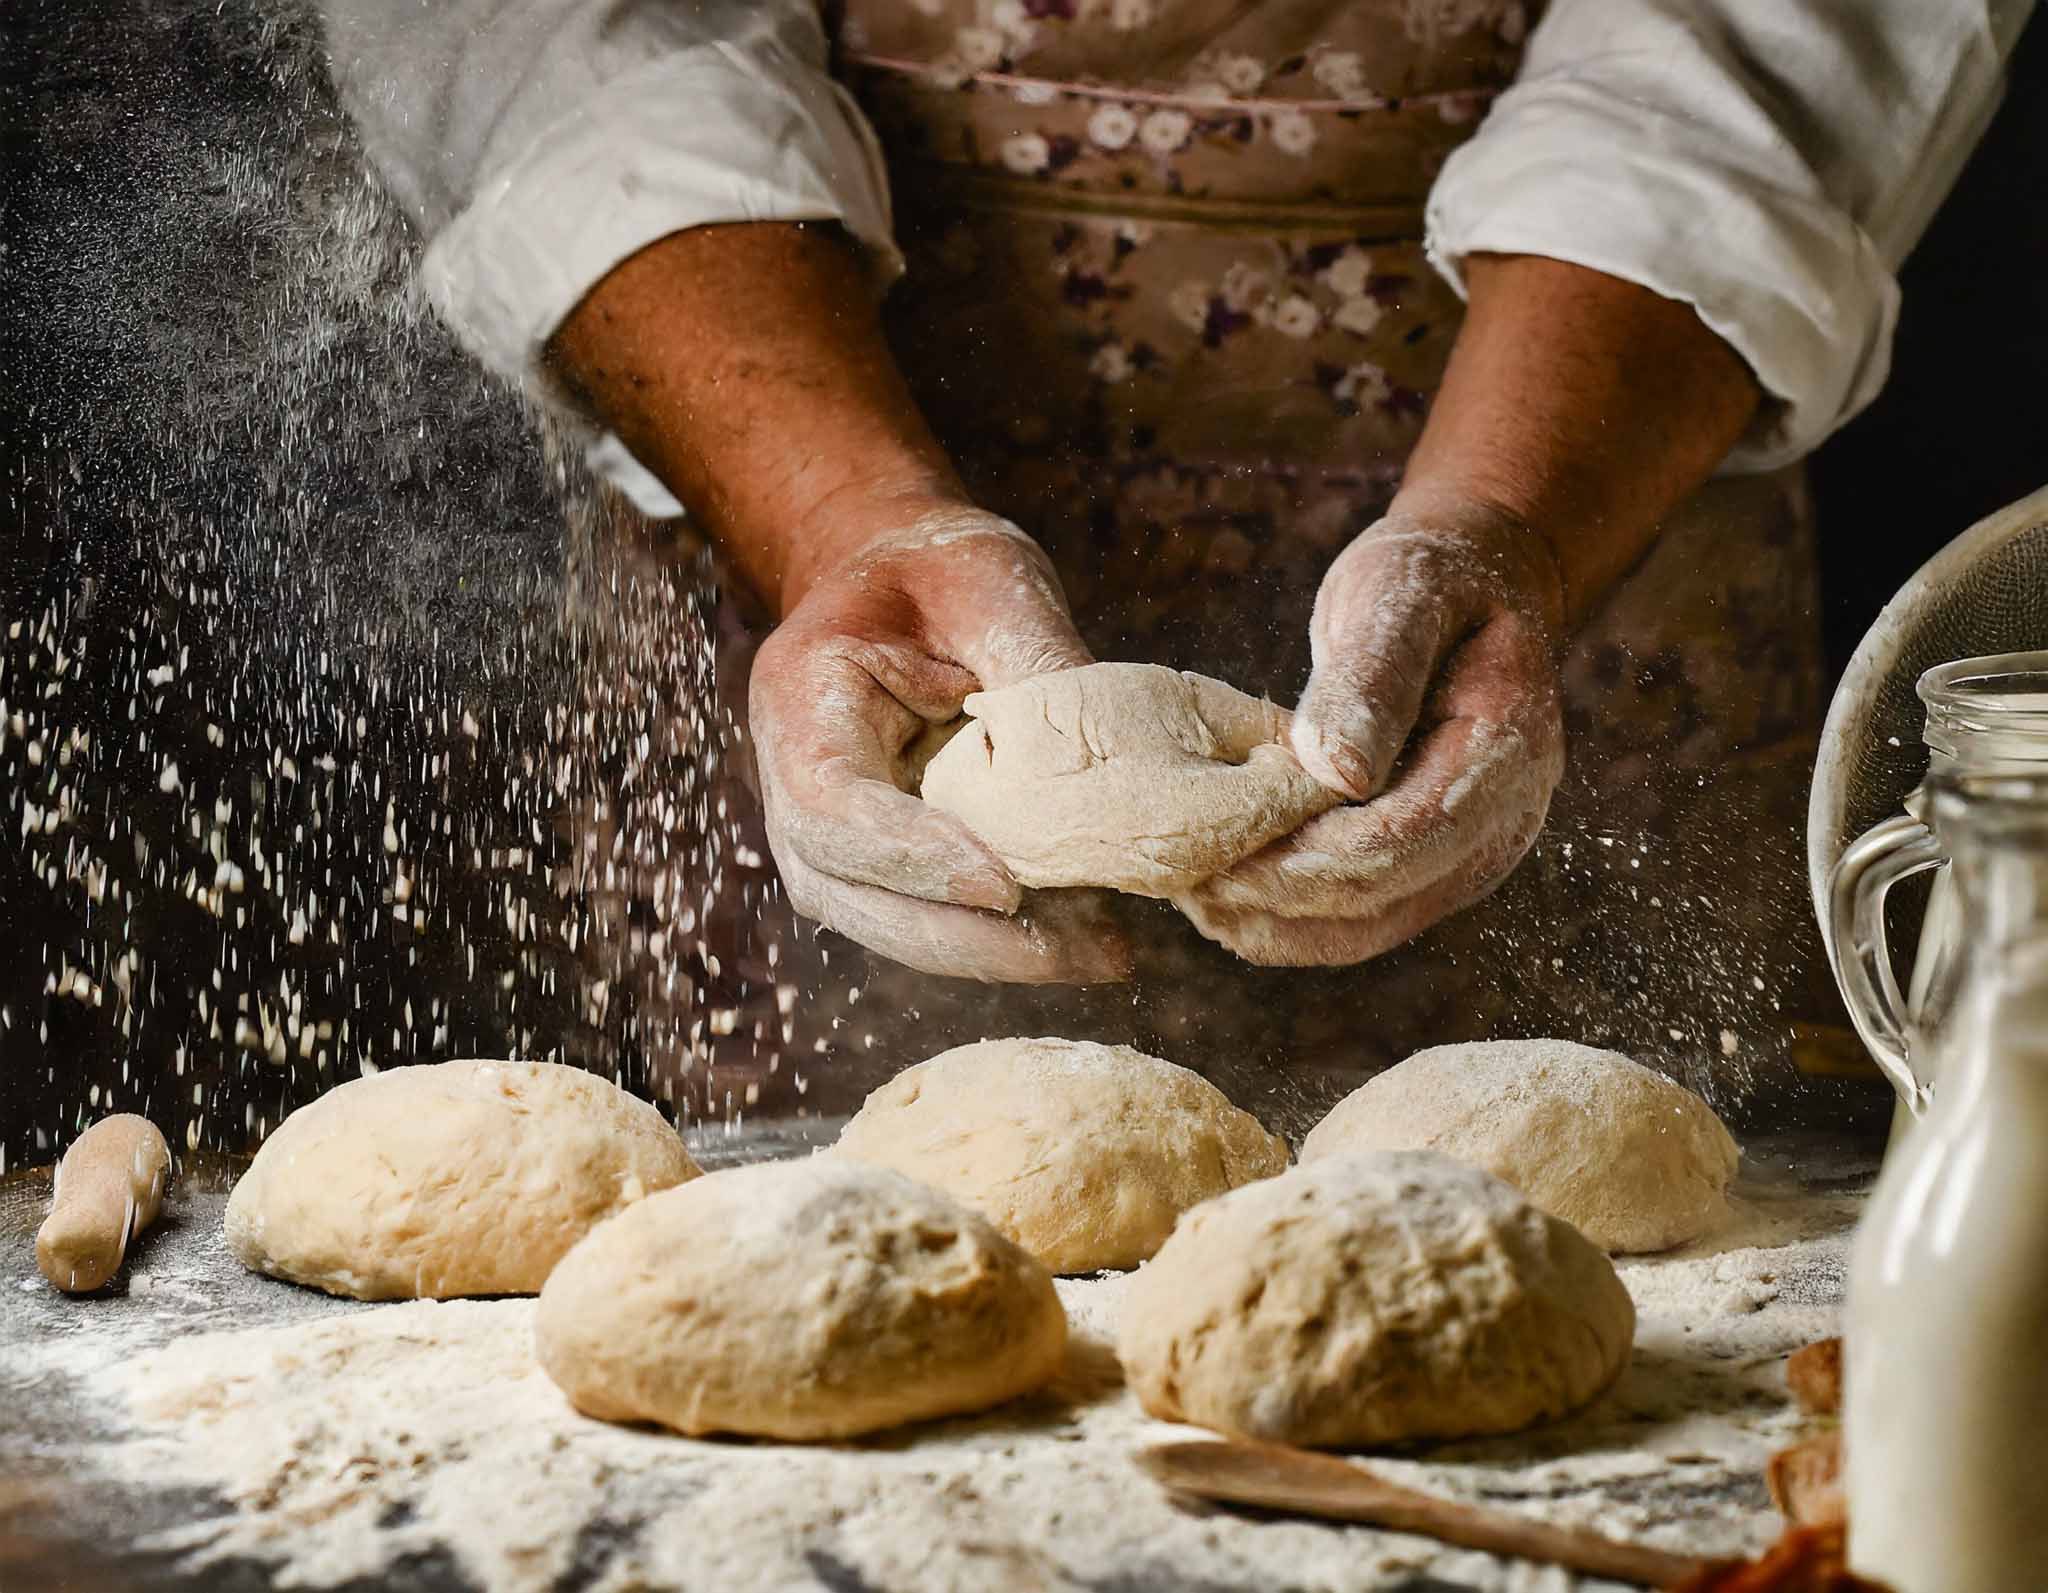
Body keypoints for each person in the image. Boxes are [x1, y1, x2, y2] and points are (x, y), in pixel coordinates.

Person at [316, 0, 2029, 1116]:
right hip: (805, 488)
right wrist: (849, 525)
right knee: (834, 1283)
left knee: (1643, 1248)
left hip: (1591, 454)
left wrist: (1501, 526)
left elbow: (1762, 35)